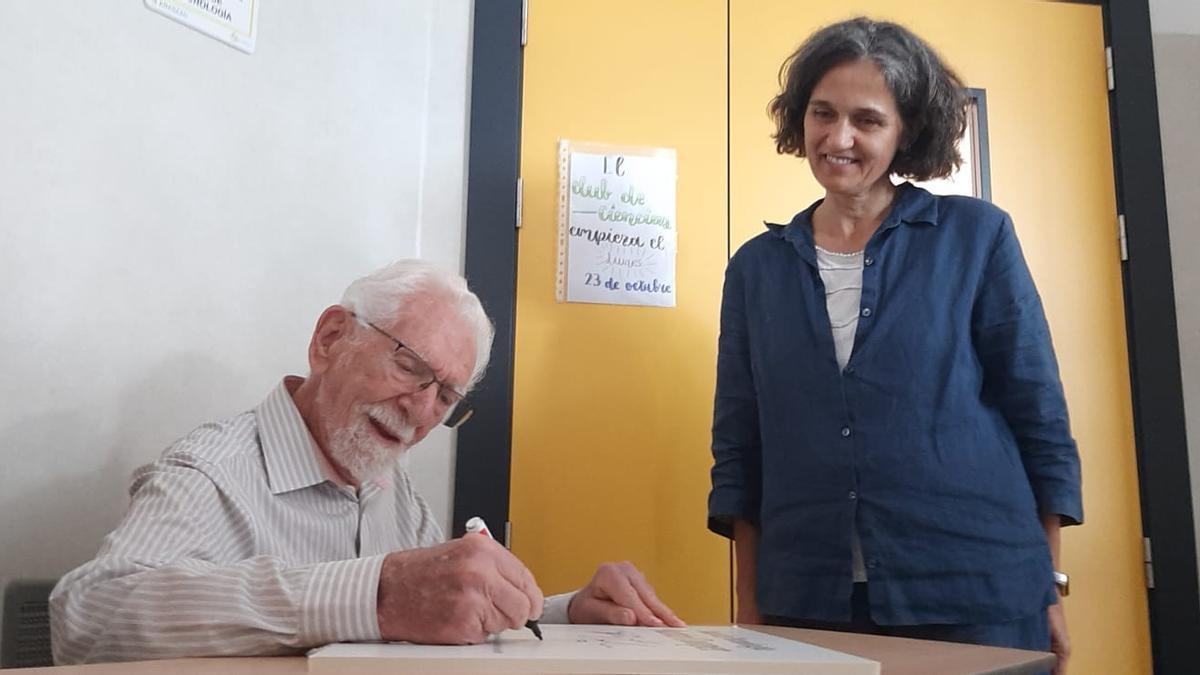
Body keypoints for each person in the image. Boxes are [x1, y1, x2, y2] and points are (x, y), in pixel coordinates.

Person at [51, 259, 683, 665]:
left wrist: (562, 611)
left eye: (446, 395)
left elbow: (438, 610)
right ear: (331, 339)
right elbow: (88, 618)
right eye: (410, 366)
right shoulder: (213, 470)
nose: (421, 409)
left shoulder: (396, 494)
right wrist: (376, 593)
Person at [706, 17, 1080, 674]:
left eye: (867, 120)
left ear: (906, 130)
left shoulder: (976, 236)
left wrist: (1048, 580)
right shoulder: (755, 268)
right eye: (822, 113)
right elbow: (740, 449)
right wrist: (750, 607)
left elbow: (1039, 415)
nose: (838, 137)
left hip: (978, 590)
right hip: (809, 601)